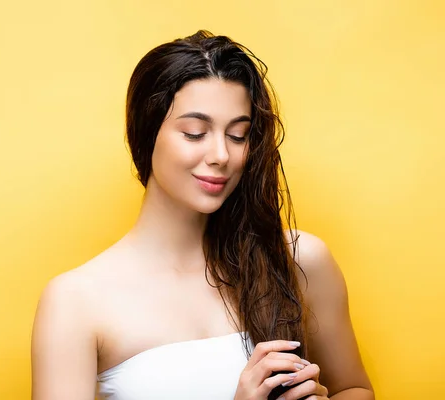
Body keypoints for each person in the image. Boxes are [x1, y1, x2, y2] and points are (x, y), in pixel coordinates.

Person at [31, 30, 374, 400]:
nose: (221, 155)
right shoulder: (76, 301)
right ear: (146, 134)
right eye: (195, 133)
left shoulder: (298, 260)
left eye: (238, 135)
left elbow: (353, 389)